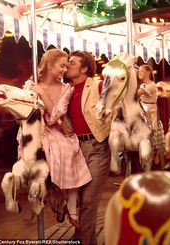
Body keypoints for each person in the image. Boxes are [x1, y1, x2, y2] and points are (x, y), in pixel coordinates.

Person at [23, 49, 92, 228]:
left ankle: (69, 202)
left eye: (67, 65)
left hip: (56, 130)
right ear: (49, 65)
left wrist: (42, 93)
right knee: (36, 148)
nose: (65, 69)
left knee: (69, 150)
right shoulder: (31, 84)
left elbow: (54, 116)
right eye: (62, 65)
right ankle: (50, 191)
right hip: (39, 129)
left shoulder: (66, 89)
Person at [65, 50, 111, 244]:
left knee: (89, 201)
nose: (67, 65)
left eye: (72, 63)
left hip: (97, 146)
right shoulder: (65, 90)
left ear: (84, 68)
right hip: (77, 148)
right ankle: (85, 239)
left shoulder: (98, 85)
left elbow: (117, 97)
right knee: (78, 201)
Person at [137, 65, 165, 166]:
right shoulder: (142, 85)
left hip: (150, 112)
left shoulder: (152, 86)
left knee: (151, 131)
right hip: (143, 110)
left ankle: (155, 154)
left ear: (148, 72)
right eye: (139, 71)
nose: (139, 73)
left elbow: (137, 94)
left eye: (142, 71)